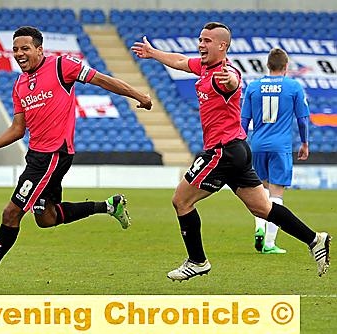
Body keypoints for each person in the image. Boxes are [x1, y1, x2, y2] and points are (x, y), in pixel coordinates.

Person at [0, 25, 152, 293]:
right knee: (46, 218)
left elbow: (102, 80)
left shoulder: (62, 66)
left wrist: (139, 96)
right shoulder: (20, 84)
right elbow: (18, 129)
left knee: (11, 214)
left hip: (53, 155)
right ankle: (108, 206)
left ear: (39, 49)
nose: (19, 54)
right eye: (15, 50)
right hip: (37, 155)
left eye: (25, 48)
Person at [131, 22, 330, 281]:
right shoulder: (203, 67)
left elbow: (233, 83)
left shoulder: (225, 74)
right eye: (200, 40)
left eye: (207, 41)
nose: (201, 44)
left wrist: (232, 81)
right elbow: (180, 60)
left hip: (221, 152)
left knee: (181, 201)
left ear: (222, 46)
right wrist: (153, 53)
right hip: (237, 150)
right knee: (263, 208)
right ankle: (315, 239)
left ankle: (197, 261)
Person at [241, 47, 310, 254]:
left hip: (258, 145)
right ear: (286, 67)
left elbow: (243, 121)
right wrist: (305, 143)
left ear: (268, 65)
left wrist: (242, 143)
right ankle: (269, 243)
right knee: (276, 194)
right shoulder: (293, 87)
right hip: (281, 147)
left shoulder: (253, 86)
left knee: (259, 192)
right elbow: (303, 120)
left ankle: (259, 227)